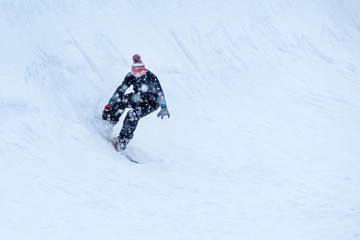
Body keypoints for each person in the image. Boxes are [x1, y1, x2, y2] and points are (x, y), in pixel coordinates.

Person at [102, 54, 170, 151]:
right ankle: (108, 123)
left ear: (144, 70)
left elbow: (160, 93)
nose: (137, 75)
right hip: (138, 97)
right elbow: (120, 91)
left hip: (151, 102)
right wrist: (109, 106)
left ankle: (122, 141)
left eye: (140, 73)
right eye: (135, 73)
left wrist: (163, 106)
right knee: (120, 101)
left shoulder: (151, 77)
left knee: (132, 114)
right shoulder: (130, 76)